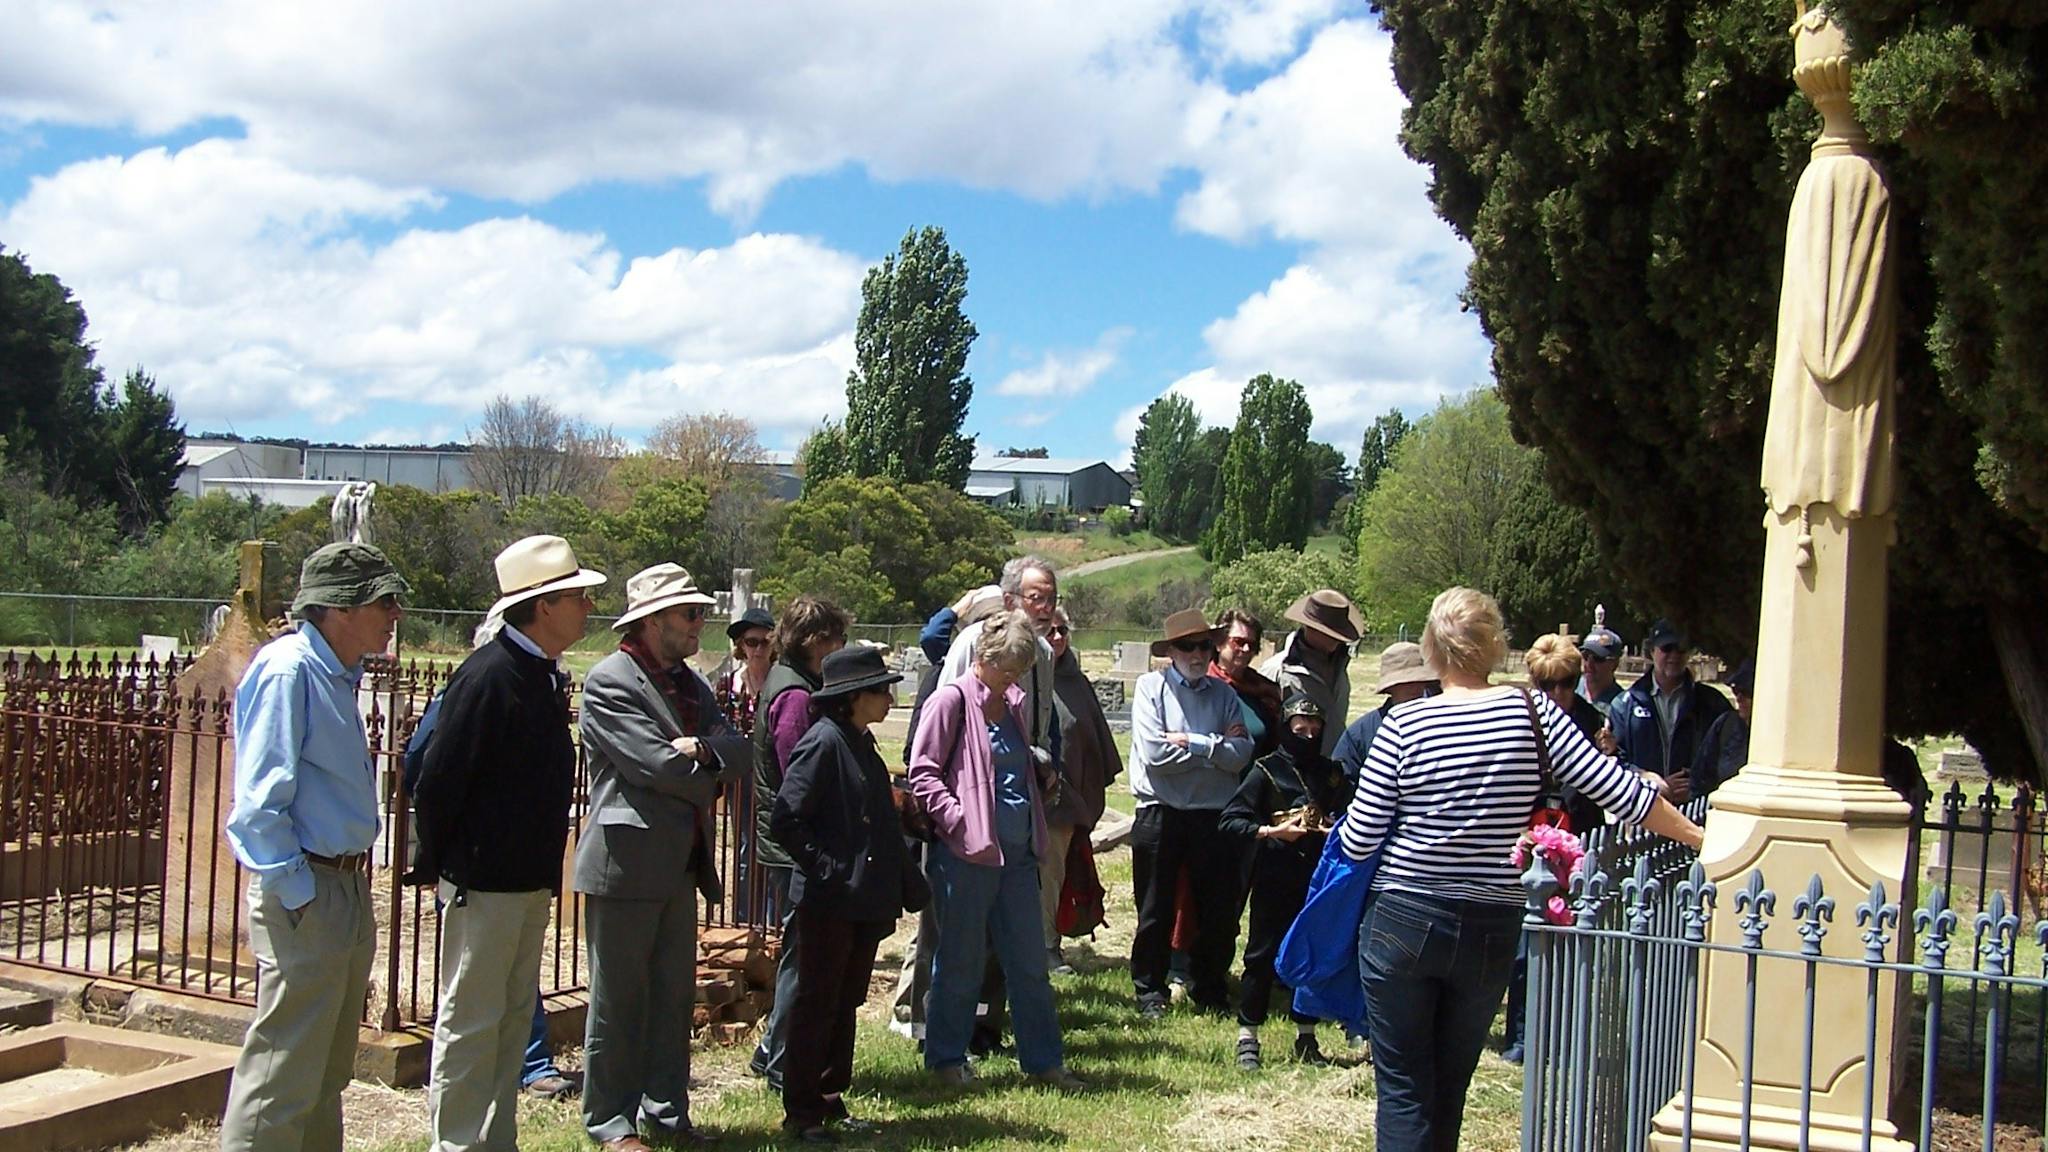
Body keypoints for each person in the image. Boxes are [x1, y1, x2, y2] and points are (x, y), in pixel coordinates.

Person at [1338, 587, 1703, 1152]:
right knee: (1450, 1085)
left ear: (1432, 650)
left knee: (1405, 1089)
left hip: (1404, 918)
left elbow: (1360, 841)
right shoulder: (1535, 714)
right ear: (1495, 646)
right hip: (1490, 923)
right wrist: (1700, 837)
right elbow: (1623, 793)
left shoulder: (1403, 725)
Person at [412, 535, 606, 1152]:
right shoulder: (488, 676)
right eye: (578, 597)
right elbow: (439, 780)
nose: (587, 608)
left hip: (525, 880)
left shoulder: (541, 675)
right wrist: (449, 868)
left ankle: (495, 1141)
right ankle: (458, 1143)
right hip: (483, 882)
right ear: (543, 606)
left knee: (506, 1021)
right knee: (470, 1022)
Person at [220, 543, 408, 1152]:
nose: (394, 614)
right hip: (310, 890)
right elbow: (257, 809)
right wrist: (298, 893)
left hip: (346, 888)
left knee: (326, 1070)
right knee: (282, 1071)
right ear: (337, 608)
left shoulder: (335, 673)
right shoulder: (289, 670)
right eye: (383, 601)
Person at [576, 565, 751, 1149]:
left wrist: (702, 749)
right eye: (690, 614)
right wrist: (708, 775)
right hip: (625, 864)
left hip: (679, 862)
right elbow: (656, 765)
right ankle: (610, 1121)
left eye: (701, 611)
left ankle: (666, 1112)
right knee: (618, 1000)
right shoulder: (610, 681)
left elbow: (739, 748)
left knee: (672, 997)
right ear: (653, 620)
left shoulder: (692, 683)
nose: (702, 623)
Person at [908, 609, 1084, 1091]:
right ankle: (946, 1059)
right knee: (960, 963)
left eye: (1018, 671)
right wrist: (959, 822)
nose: (1010, 679)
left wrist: (1038, 775)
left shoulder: (1011, 705)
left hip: (1018, 854)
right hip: (966, 859)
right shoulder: (950, 701)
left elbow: (1009, 761)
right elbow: (922, 774)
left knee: (1029, 965)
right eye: (1005, 669)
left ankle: (1044, 1062)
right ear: (982, 658)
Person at [770, 645, 923, 1143]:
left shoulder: (860, 742)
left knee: (845, 1000)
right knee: (816, 1004)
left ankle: (830, 1097)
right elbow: (787, 818)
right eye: (881, 689)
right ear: (855, 697)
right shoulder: (823, 743)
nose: (888, 697)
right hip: (829, 901)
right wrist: (828, 869)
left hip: (860, 900)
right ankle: (802, 1111)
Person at [1127, 609, 1254, 1019]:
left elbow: (1241, 757)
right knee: (1154, 908)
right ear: (1171, 652)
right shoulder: (1150, 688)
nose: (1198, 654)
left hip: (1211, 814)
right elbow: (1156, 756)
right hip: (1160, 811)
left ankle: (1210, 989)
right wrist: (1217, 748)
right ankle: (1150, 990)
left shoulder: (1224, 695)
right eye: (1188, 646)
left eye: (1205, 645)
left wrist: (1195, 743)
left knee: (1216, 910)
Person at [747, 596, 850, 1091]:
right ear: (814, 642)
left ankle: (774, 1047)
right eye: (835, 638)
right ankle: (782, 1058)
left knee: (802, 955)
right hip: (795, 849)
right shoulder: (793, 696)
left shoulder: (803, 686)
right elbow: (799, 777)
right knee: (802, 957)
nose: (841, 647)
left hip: (798, 845)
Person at [1500, 632, 1617, 1066]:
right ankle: (1521, 1036)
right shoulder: (1519, 718)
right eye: (1545, 685)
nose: (1556, 694)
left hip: (1577, 841)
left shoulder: (1595, 722)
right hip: (1528, 841)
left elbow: (1613, 786)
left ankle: (1562, 1033)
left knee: (1569, 936)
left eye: (1565, 683)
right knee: (1524, 942)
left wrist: (1611, 754)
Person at [1219, 692, 1350, 1071]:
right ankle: (1248, 1036)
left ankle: (1307, 1035)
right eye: (1299, 728)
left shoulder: (1333, 773)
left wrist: (1333, 829)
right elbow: (1231, 820)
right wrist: (1271, 832)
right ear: (1285, 729)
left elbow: (1353, 813)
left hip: (1318, 878)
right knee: (1261, 955)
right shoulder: (1266, 771)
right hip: (1276, 873)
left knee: (1312, 954)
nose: (1307, 736)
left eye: (1314, 729)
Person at [1044, 606, 1120, 974]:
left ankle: (1048, 946)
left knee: (1056, 873)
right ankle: (1037, 947)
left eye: (1063, 630)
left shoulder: (1076, 681)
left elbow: (1095, 740)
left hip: (1068, 802)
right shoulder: (1023, 677)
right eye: (1049, 631)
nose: (1057, 638)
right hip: (1032, 795)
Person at [1611, 619, 1732, 804]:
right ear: (1652, 652)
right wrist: (1647, 779)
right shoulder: (1624, 705)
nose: (1674, 655)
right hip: (1645, 810)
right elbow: (1614, 760)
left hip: (1695, 809)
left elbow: (1729, 754)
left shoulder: (1712, 703)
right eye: (1667, 648)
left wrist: (1697, 784)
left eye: (1681, 649)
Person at [717, 606, 776, 926]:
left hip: (774, 777)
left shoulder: (782, 683)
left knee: (774, 847)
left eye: (763, 642)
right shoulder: (728, 685)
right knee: (746, 849)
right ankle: (745, 923)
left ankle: (772, 924)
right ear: (740, 646)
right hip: (740, 779)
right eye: (750, 642)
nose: (756, 649)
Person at [1259, 589, 1364, 753]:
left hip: (1333, 768)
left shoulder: (1340, 667)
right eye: (1330, 632)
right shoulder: (1277, 670)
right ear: (1310, 627)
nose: (1337, 638)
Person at [1332, 642, 1438, 784]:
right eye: (1404, 682)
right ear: (1390, 687)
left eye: (1419, 680)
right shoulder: (1360, 734)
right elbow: (1340, 789)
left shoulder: (1444, 725)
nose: (1413, 687)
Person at [1211, 608, 1283, 759]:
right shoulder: (1203, 686)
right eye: (1239, 642)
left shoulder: (1265, 690)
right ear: (1218, 643)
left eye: (1252, 644)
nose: (1246, 649)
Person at [1689, 659, 1754, 799]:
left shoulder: (1779, 738)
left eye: (1746, 692)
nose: (1739, 698)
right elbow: (1700, 778)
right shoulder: (1726, 725)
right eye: (1736, 690)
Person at [1578, 621, 1626, 718]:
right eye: (1585, 656)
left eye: (1598, 658)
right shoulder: (1568, 690)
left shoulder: (1622, 706)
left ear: (1615, 663)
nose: (1589, 664)